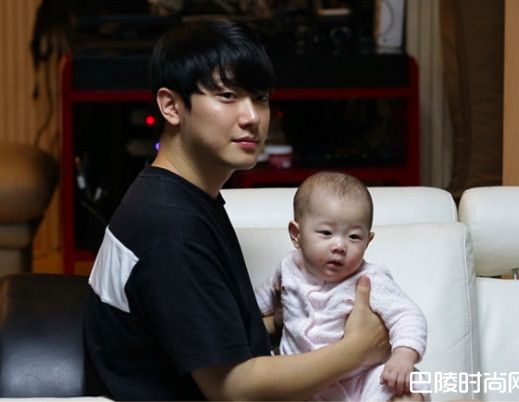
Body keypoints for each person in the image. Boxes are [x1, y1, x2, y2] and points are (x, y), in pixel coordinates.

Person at [82, 19, 389, 401]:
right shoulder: (170, 228)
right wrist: (357, 349)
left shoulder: (178, 197)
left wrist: (284, 321)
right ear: (171, 106)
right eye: (227, 96)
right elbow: (235, 389)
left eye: (259, 98)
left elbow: (193, 336)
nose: (252, 117)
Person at [255, 171, 428, 401]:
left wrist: (403, 355)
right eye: (326, 233)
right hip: (300, 379)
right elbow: (257, 304)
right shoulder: (288, 267)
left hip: (358, 381)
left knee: (410, 387)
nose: (340, 246)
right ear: (297, 234)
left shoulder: (370, 279)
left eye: (354, 237)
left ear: (368, 241)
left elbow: (407, 315)